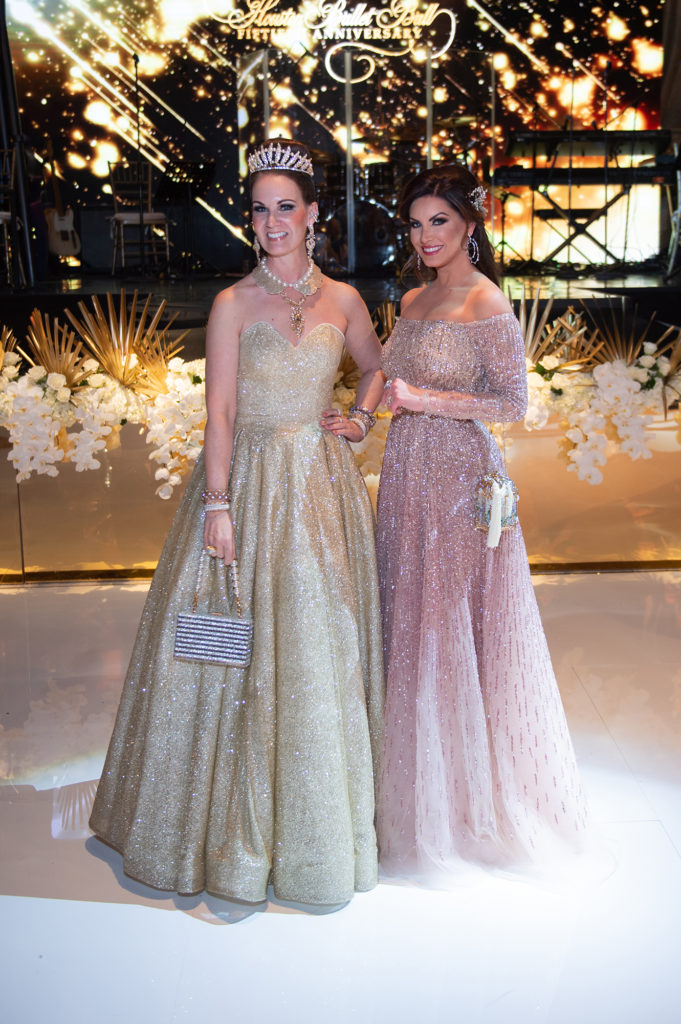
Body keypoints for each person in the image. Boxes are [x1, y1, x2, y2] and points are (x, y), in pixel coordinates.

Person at [90, 139, 385, 907]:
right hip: (247, 484)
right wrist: (217, 506)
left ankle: (314, 826)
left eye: (285, 206)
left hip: (319, 486)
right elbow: (219, 412)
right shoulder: (232, 303)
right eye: (258, 209)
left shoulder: (344, 300)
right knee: (224, 646)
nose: (270, 221)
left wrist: (358, 419)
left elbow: (376, 367)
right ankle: (217, 832)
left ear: (314, 213)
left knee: (318, 645)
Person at [376, 163, 589, 881]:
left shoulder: (485, 301)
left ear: (469, 225)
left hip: (458, 481)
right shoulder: (412, 296)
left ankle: (463, 799)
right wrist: (357, 412)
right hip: (405, 476)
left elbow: (510, 404)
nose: (425, 235)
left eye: (438, 220)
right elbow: (385, 376)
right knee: (407, 623)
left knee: (449, 628)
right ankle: (408, 786)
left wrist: (424, 399)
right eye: (414, 222)